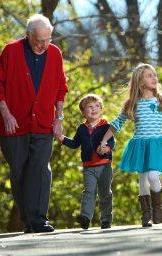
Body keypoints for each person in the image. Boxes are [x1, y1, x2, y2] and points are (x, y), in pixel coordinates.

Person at [0, 14, 68, 233]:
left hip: (43, 122)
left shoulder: (55, 53)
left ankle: (39, 220)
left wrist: (58, 117)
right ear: (28, 35)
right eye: (38, 40)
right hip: (13, 125)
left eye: (47, 39)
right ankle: (28, 219)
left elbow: (61, 87)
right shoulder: (11, 50)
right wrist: (6, 114)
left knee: (41, 169)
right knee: (19, 171)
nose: (43, 45)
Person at [99, 63, 162, 227]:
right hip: (139, 144)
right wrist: (103, 140)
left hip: (156, 144)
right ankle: (147, 216)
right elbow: (117, 123)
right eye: (149, 75)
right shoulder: (132, 103)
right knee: (143, 180)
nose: (154, 78)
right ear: (140, 81)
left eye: (155, 75)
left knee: (152, 176)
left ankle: (158, 210)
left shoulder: (161, 100)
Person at [55, 94, 115, 230]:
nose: (94, 109)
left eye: (97, 106)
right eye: (90, 107)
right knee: (89, 192)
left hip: (104, 165)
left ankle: (106, 219)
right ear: (83, 112)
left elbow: (111, 142)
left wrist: (106, 148)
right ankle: (85, 218)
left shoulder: (106, 126)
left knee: (105, 193)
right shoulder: (81, 128)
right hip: (88, 166)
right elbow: (75, 143)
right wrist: (62, 138)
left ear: (101, 109)